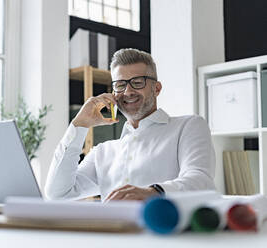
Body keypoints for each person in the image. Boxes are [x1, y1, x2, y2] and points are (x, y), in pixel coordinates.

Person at [45, 48, 215, 202]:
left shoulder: (188, 126)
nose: (128, 91)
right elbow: (57, 193)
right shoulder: (102, 152)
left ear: (156, 88)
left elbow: (201, 181)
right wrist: (79, 125)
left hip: (166, 235)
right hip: (115, 234)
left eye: (138, 82)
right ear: (113, 93)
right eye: (120, 85)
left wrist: (154, 192)